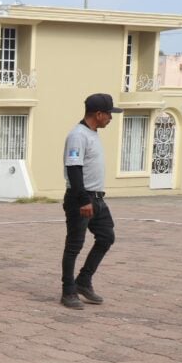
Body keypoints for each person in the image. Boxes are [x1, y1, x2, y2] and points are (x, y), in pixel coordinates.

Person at [61, 93, 120, 309]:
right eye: (109, 114)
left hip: (97, 199)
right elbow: (74, 169)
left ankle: (83, 281)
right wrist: (84, 200)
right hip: (81, 199)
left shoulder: (93, 134)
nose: (111, 119)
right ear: (98, 114)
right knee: (74, 245)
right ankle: (68, 292)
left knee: (106, 237)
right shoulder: (78, 135)